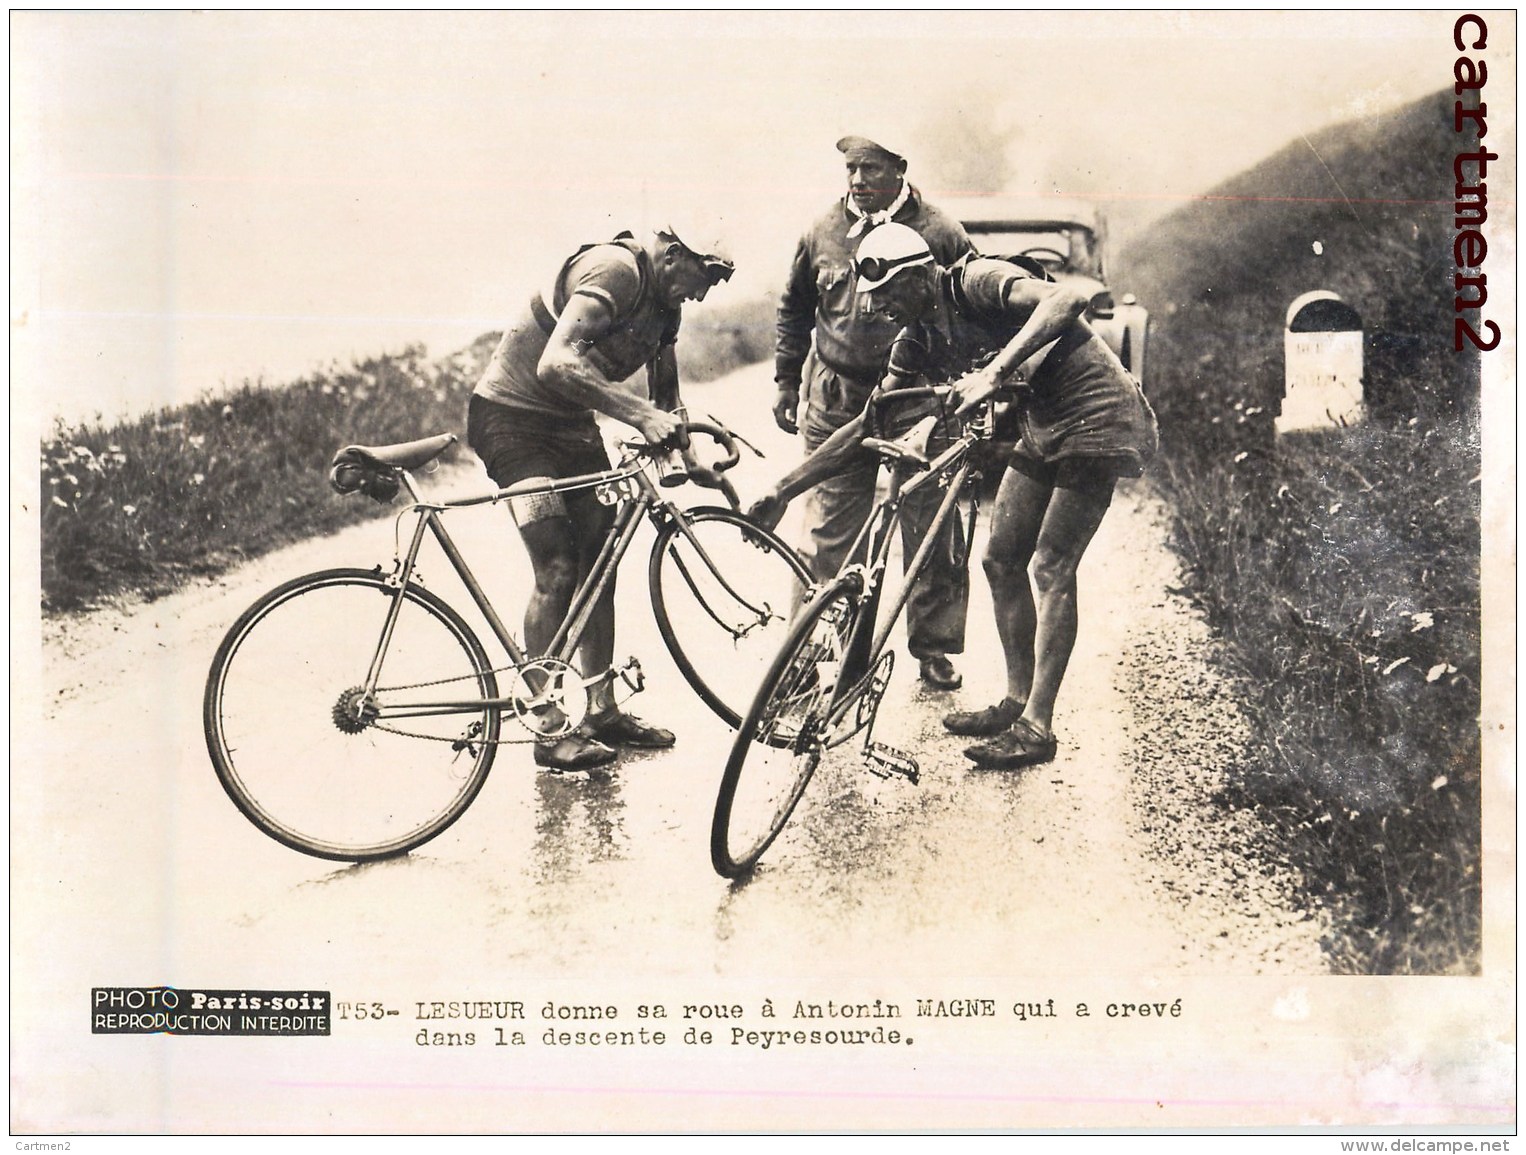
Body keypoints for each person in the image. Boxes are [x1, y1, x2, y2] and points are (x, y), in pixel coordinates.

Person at [749, 222, 1158, 769]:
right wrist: (783, 488)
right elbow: (872, 420)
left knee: (1052, 566)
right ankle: (1015, 702)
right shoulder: (915, 337)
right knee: (999, 558)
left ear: (918, 276)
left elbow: (1069, 296)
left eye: (888, 294)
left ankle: (1038, 726)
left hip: (1098, 415)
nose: (878, 309)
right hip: (1044, 424)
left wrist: (994, 372)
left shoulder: (977, 281)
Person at [467, 224, 734, 771]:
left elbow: (666, 398)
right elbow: (555, 364)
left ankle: (601, 710)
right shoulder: (616, 271)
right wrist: (638, 416)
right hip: (511, 423)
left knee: (601, 564)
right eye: (705, 277)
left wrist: (687, 459)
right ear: (675, 255)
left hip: (570, 426)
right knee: (559, 566)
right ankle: (545, 727)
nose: (705, 293)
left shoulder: (666, 307)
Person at [773, 135, 975, 691]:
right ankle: (807, 653)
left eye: (870, 168)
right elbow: (795, 308)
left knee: (930, 523)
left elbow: (968, 309)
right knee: (828, 530)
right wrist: (786, 380)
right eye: (850, 168)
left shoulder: (941, 230)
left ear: (900, 169)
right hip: (837, 398)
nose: (858, 180)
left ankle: (934, 646)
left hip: (921, 399)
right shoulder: (821, 231)